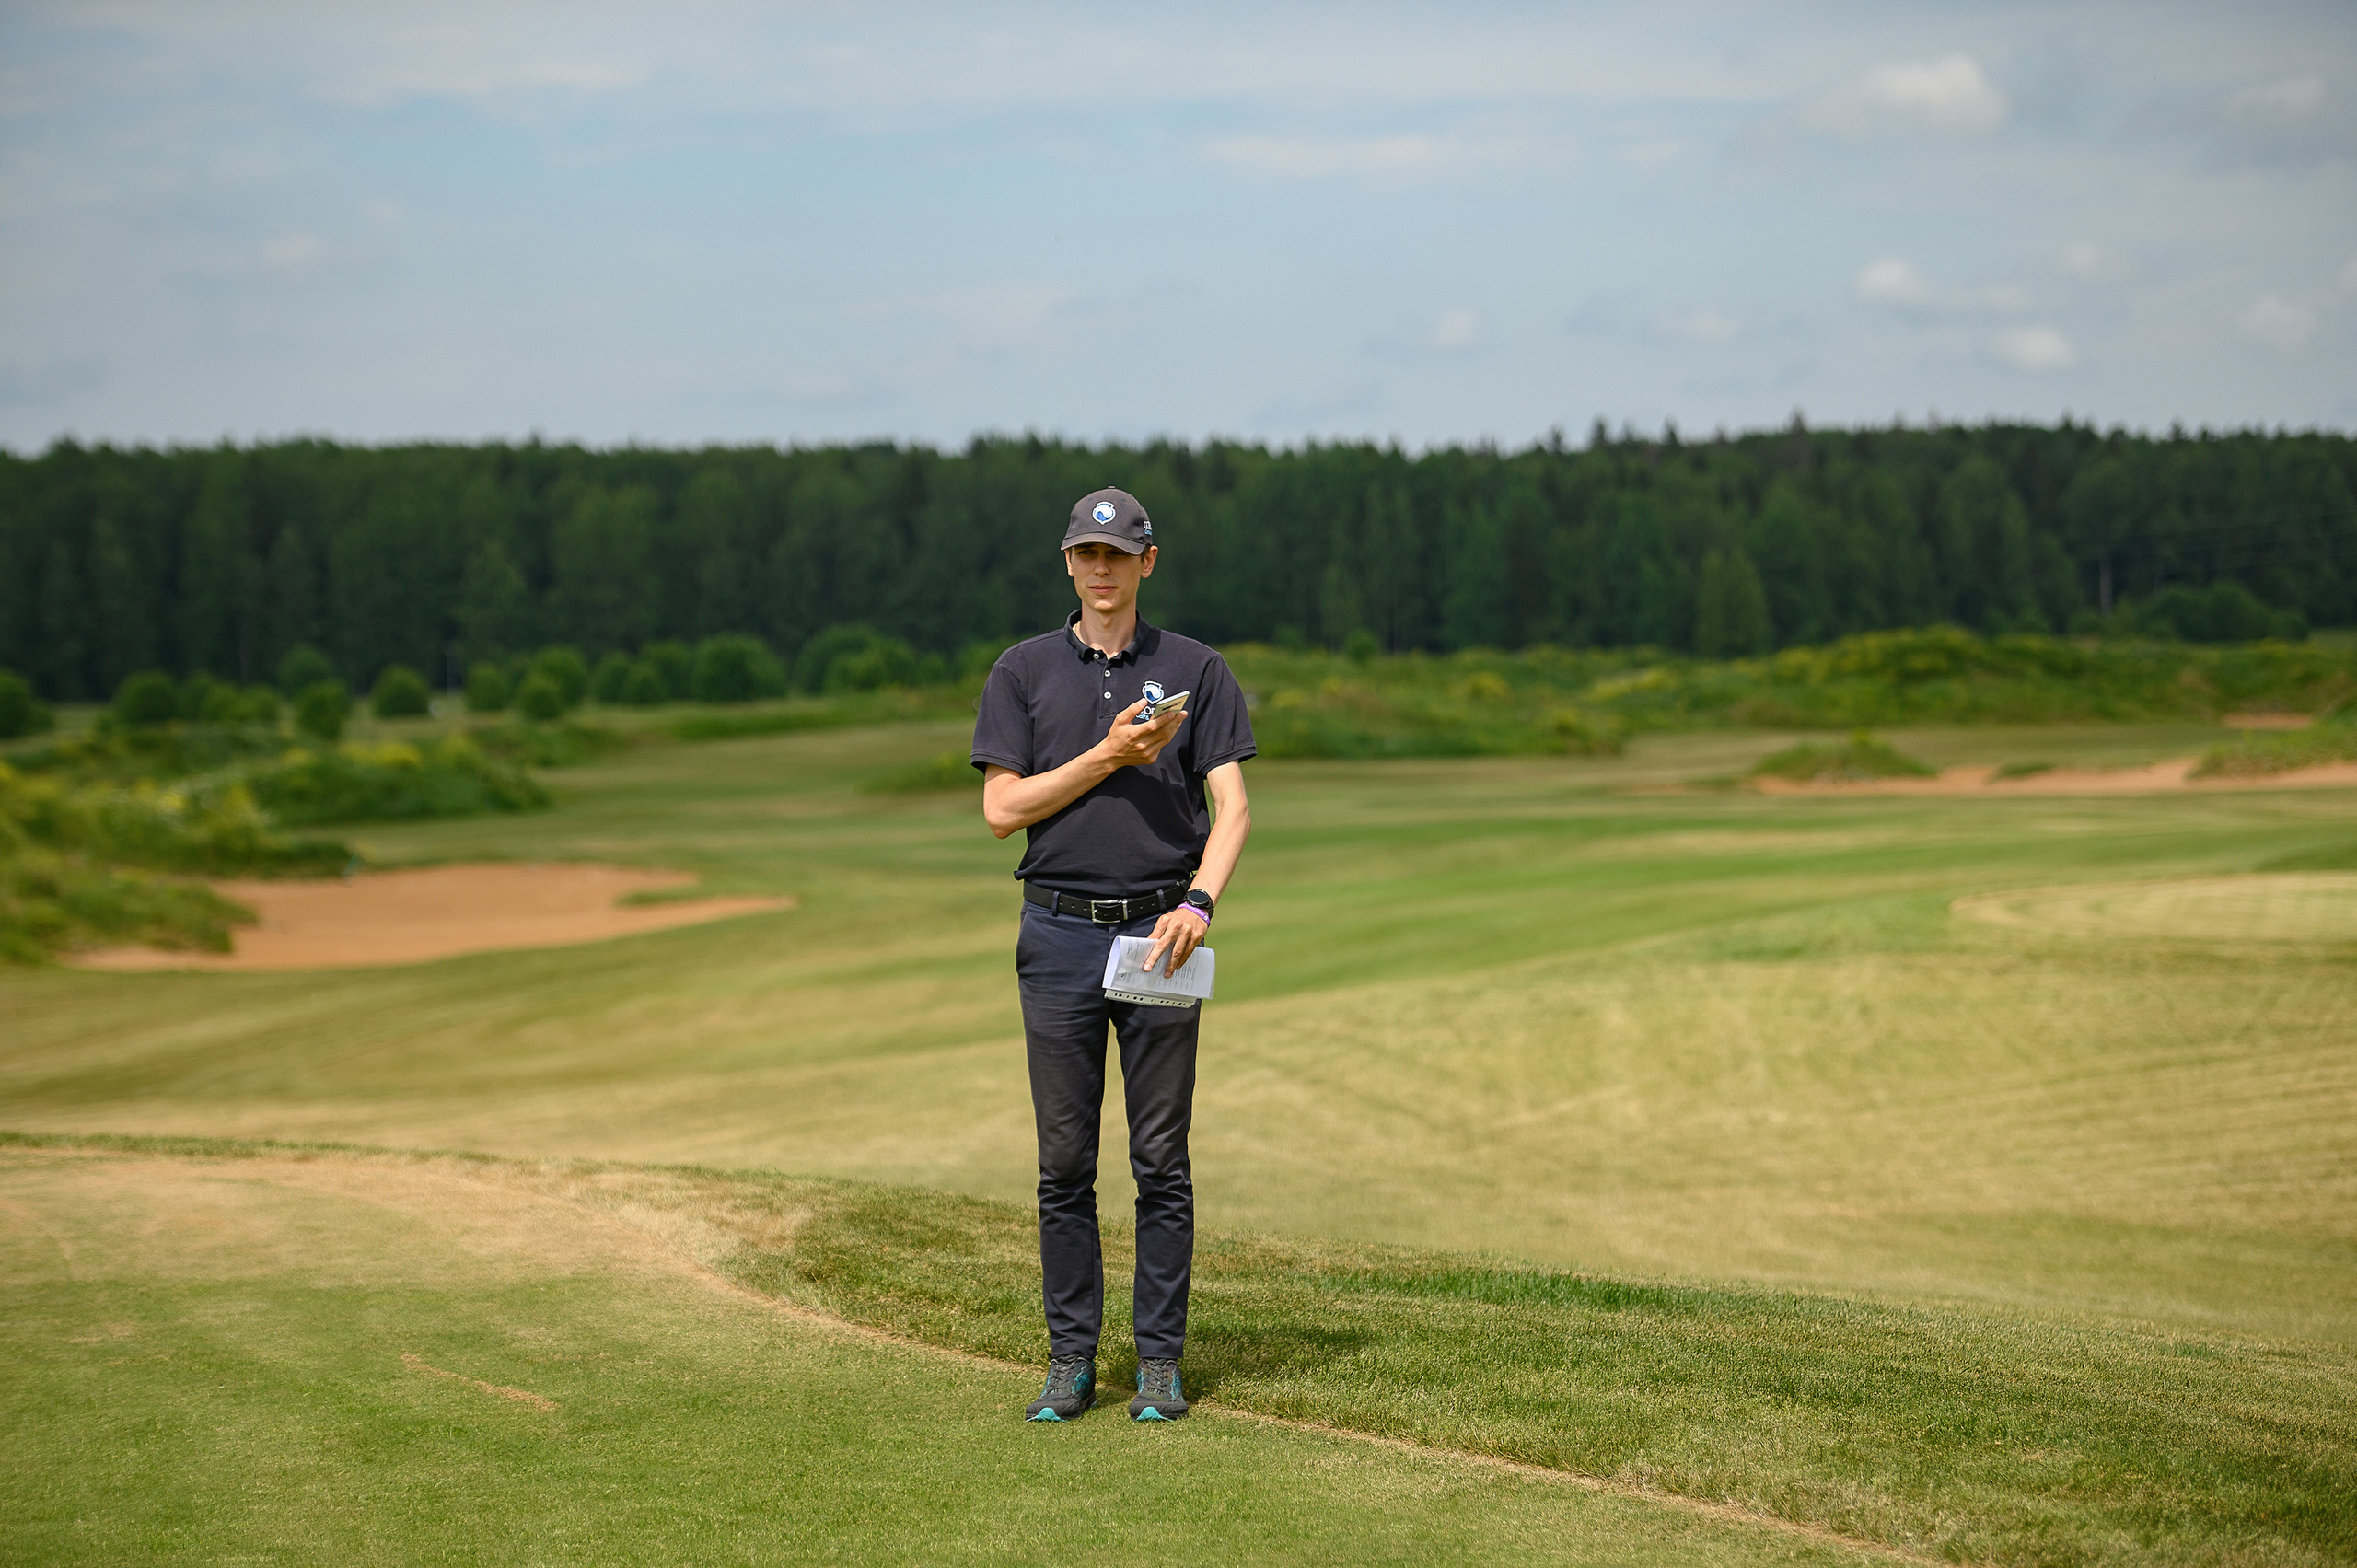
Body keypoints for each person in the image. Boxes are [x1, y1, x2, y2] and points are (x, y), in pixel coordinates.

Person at [970, 485, 1255, 1423]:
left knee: (1161, 1159)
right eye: (1086, 555)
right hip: (1053, 934)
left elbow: (1234, 806)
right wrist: (1107, 754)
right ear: (1067, 563)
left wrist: (1201, 899)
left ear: (1147, 562)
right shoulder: (1021, 671)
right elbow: (1003, 808)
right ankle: (1069, 1360)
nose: (1101, 570)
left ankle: (1161, 1364)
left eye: (1117, 555)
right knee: (1063, 1162)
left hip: (1158, 935)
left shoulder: (1195, 669)